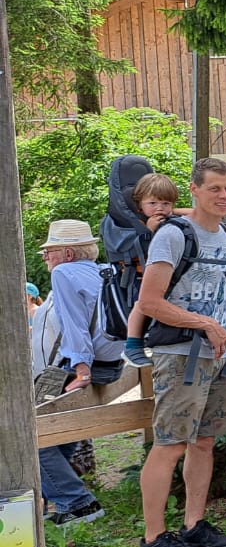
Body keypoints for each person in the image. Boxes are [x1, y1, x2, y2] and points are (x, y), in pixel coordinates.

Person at [136, 158, 226, 547]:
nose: (223, 196)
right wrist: (204, 324)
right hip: (181, 353)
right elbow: (150, 302)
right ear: (195, 190)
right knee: (170, 444)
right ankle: (153, 538)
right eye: (214, 188)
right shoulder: (172, 236)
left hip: (218, 355)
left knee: (202, 441)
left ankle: (194, 524)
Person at [31, 219, 123, 525]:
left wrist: (81, 369)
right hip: (106, 366)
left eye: (50, 251)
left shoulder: (65, 273)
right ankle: (69, 501)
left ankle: (79, 503)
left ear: (68, 254)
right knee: (59, 437)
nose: (45, 257)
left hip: (75, 370)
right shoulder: (100, 272)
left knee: (34, 439)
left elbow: (75, 327)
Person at [120, 173, 193, 367]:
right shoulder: (142, 224)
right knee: (141, 305)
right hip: (142, 277)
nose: (159, 209)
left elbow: (195, 212)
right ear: (139, 205)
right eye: (152, 203)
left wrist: (172, 211)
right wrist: (151, 229)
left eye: (166, 203)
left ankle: (147, 337)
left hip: (166, 277)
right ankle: (132, 344)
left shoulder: (169, 218)